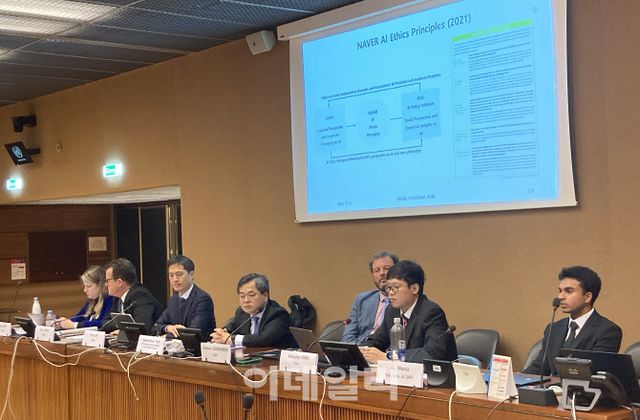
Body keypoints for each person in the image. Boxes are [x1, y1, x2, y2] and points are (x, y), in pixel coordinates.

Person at [523, 266, 622, 375]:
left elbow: (593, 372)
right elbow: (540, 367)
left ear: (587, 297)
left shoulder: (608, 331)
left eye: (568, 291)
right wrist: (515, 379)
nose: (560, 296)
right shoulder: (554, 328)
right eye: (560, 291)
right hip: (553, 386)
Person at [361, 260, 457, 364]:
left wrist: (390, 356)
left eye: (396, 287)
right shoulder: (392, 310)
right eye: (388, 287)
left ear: (414, 289)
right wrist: (360, 351)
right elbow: (377, 340)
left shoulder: (431, 312)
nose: (390, 293)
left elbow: (433, 354)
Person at [210, 273, 295, 348]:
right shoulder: (242, 312)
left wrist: (232, 339)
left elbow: (264, 339)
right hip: (249, 358)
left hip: (273, 360)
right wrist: (221, 334)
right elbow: (230, 328)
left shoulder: (278, 314)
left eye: (251, 295)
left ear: (265, 295)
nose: (246, 300)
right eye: (242, 296)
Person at [342, 250, 398, 344]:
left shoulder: (405, 302)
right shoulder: (362, 300)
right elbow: (348, 335)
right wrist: (359, 350)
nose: (382, 273)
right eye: (377, 270)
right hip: (361, 347)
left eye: (386, 268)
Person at [153, 255, 216, 337]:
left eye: (179, 274)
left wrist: (168, 335)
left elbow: (193, 332)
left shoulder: (203, 299)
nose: (175, 279)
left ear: (191, 274)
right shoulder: (173, 300)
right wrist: (167, 328)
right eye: (171, 275)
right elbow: (156, 326)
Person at [102, 258, 164, 335]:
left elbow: (143, 327)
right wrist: (122, 326)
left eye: (108, 280)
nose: (106, 284)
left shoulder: (140, 296)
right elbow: (105, 323)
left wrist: (122, 329)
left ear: (119, 282)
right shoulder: (117, 298)